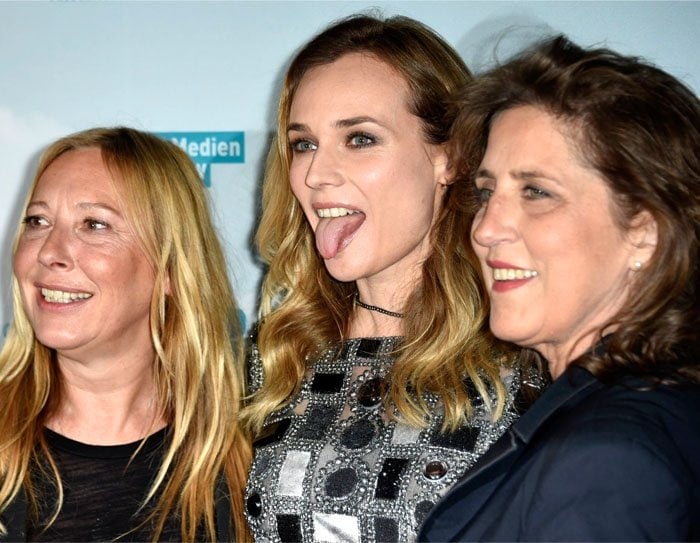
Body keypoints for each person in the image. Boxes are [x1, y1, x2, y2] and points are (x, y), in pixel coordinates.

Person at [242, 14, 542, 543]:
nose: (315, 175)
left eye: (359, 138)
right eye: (304, 143)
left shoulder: (519, 353)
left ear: (447, 157)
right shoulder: (276, 351)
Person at [419, 35, 700, 541]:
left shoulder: (607, 461)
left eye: (537, 192)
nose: (484, 229)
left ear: (644, 231)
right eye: (487, 192)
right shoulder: (642, 412)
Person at [0, 127, 251, 542]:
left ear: (170, 267)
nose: (48, 251)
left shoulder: (250, 461)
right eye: (38, 221)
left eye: (94, 224)